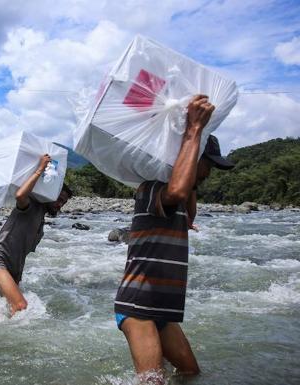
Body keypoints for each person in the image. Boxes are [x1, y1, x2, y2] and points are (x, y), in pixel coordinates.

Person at [113, 95, 235, 384]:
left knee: (190, 374)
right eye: (208, 164)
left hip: (162, 308)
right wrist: (192, 132)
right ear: (192, 158)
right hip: (139, 306)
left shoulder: (180, 199)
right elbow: (178, 192)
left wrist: (190, 170)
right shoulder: (151, 189)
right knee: (152, 382)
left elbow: (189, 212)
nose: (210, 172)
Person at [0, 154, 72, 315]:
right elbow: (20, 195)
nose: (60, 205)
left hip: (15, 268)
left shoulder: (41, 218)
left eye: (63, 203)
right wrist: (40, 170)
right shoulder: (31, 206)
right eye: (59, 199)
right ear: (50, 194)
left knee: (9, 309)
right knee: (21, 306)